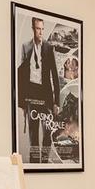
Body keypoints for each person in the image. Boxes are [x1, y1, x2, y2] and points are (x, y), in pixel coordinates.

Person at [16, 16, 61, 161]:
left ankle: (45, 161)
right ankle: (35, 163)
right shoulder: (26, 47)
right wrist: (22, 103)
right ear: (33, 29)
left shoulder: (48, 48)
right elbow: (21, 75)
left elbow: (55, 76)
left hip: (46, 95)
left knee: (48, 132)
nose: (40, 32)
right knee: (33, 134)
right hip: (31, 95)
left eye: (42, 29)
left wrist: (57, 102)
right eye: (38, 29)